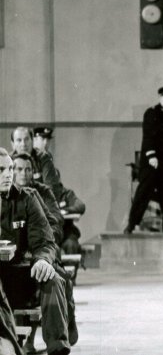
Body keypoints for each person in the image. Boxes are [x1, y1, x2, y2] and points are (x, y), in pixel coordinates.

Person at [0, 148, 75, 355]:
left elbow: (44, 241)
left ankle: (58, 348)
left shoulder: (28, 198)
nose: (8, 174)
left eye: (10, 169)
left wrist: (43, 260)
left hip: (22, 274)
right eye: (1, 170)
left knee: (53, 278)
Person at [124, 85, 163, 234]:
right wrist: (151, 155)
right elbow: (148, 135)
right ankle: (132, 224)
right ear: (160, 98)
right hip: (151, 162)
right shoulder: (151, 113)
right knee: (144, 192)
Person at [11, 126, 63, 199]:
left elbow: (51, 190)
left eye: (26, 139)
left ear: (32, 141)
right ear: (13, 144)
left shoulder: (43, 158)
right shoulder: (6, 161)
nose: (23, 144)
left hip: (40, 204)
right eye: (19, 140)